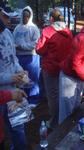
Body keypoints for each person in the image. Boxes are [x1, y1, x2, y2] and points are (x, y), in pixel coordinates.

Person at [36, 8, 73, 129]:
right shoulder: (68, 32)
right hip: (63, 68)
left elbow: (39, 49)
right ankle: (61, 118)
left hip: (50, 68)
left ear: (52, 19)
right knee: (61, 94)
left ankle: (54, 121)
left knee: (52, 95)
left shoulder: (47, 31)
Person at [0, 17, 28, 150]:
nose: (8, 20)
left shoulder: (7, 32)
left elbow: (13, 58)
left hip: (14, 91)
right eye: (5, 16)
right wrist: (10, 77)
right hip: (2, 94)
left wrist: (20, 70)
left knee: (19, 128)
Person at [13, 6, 40, 105]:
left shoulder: (33, 28)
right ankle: (22, 100)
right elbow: (13, 40)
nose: (25, 18)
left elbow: (36, 44)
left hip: (31, 58)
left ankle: (33, 101)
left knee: (32, 80)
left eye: (27, 16)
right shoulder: (17, 28)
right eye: (24, 16)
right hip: (18, 57)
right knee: (20, 80)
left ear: (30, 16)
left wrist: (21, 46)